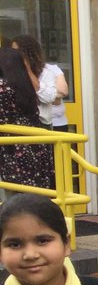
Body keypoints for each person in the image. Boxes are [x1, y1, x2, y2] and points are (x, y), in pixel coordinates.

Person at [0, 48, 54, 189]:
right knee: (35, 192)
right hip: (33, 143)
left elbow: (3, 117)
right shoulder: (24, 85)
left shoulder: (3, 87)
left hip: (12, 147)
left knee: (16, 193)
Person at [12, 35, 67, 131]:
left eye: (18, 52)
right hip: (17, 124)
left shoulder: (46, 72)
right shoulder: (11, 72)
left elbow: (49, 97)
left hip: (41, 124)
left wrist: (28, 70)